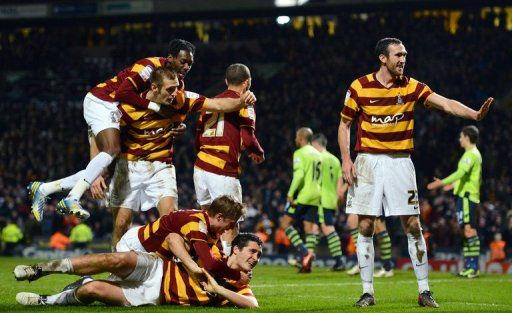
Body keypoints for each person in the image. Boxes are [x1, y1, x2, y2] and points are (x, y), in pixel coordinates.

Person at [338, 37, 493, 308]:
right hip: (367, 162)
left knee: (412, 225)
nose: (403, 60)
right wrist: (346, 160)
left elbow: (445, 103)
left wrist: (474, 115)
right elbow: (344, 125)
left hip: (400, 162)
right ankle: (367, 292)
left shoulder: (411, 86)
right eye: (398, 55)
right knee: (365, 225)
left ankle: (424, 290)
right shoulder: (359, 86)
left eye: (405, 55)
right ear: (382, 58)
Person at [27, 39, 256, 222]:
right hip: (102, 100)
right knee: (110, 151)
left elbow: (209, 104)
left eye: (190, 64)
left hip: (128, 128)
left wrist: (178, 124)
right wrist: (155, 106)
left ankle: (44, 188)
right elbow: (124, 94)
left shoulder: (177, 87)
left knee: (104, 168)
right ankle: (72, 198)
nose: (186, 67)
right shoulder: (149, 67)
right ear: (169, 59)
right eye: (182, 61)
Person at [14, 233, 262, 308]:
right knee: (115, 259)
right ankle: (41, 269)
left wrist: (217, 288)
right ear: (236, 250)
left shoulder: (239, 285)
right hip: (157, 269)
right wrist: (192, 265)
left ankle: (45, 301)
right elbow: (175, 238)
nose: (256, 258)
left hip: (155, 296)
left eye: (259, 254)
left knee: (93, 290)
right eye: (252, 251)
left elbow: (252, 306)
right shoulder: (213, 252)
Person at [194, 63, 265, 254]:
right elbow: (248, 138)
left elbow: (197, 137)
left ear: (226, 81)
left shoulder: (210, 103)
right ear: (247, 82)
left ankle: (208, 262)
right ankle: (227, 268)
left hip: (200, 167)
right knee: (229, 222)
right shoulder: (244, 102)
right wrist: (258, 152)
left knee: (208, 219)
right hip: (222, 167)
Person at [115, 195, 250, 283]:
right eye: (231, 224)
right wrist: (237, 276)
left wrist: (238, 268)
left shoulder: (212, 228)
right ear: (219, 217)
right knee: (120, 285)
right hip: (137, 245)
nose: (229, 229)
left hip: (154, 253)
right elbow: (209, 262)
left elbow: (217, 258)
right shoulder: (197, 224)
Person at [427, 125, 482, 278]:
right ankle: (471, 266)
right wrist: (452, 185)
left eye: (461, 136)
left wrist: (441, 183)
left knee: (469, 229)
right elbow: (466, 177)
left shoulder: (470, 155)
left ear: (466, 137)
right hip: (466, 195)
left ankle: (473, 267)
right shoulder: (473, 154)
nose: (459, 139)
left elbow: (460, 173)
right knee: (467, 230)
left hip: (467, 197)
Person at [281, 127, 321, 272]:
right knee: (309, 229)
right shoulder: (318, 154)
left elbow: (299, 175)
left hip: (303, 195)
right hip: (317, 194)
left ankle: (305, 253)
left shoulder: (299, 153)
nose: (295, 139)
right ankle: (307, 265)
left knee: (285, 223)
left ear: (302, 138)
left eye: (297, 136)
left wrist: (291, 193)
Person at [309, 133, 346, 271]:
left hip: (320, 199)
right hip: (331, 199)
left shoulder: (318, 158)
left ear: (315, 144)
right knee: (314, 229)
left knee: (327, 228)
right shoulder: (335, 160)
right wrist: (337, 202)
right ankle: (307, 259)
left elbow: (314, 180)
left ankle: (339, 261)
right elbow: (339, 186)